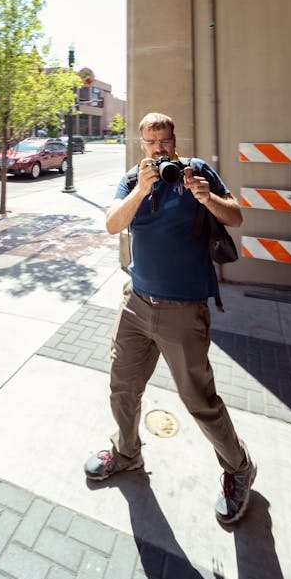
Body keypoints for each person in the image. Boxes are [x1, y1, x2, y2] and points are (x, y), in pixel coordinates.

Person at [84, 112, 256, 524]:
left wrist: (206, 198)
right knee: (122, 386)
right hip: (136, 303)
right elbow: (112, 225)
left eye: (165, 141)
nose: (160, 149)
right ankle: (126, 452)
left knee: (199, 400)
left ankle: (239, 468)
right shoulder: (133, 180)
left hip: (184, 309)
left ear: (174, 140)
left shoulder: (196, 172)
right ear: (142, 144)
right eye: (152, 142)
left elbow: (235, 216)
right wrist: (142, 189)